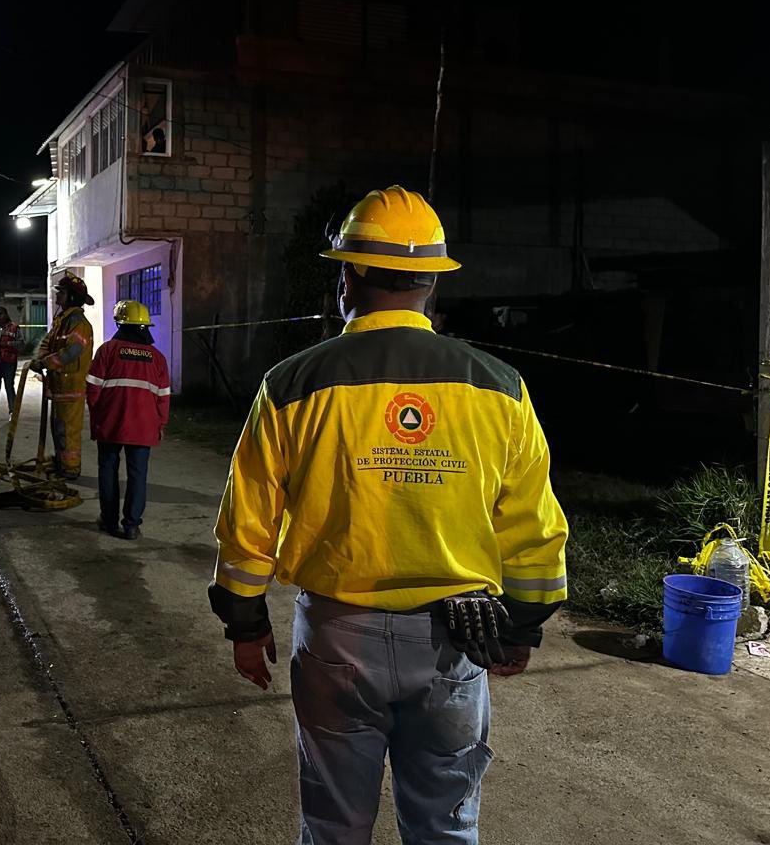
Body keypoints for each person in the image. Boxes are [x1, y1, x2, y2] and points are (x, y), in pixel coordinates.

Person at [208, 185, 569, 845]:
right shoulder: (498, 387)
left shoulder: (292, 385)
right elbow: (535, 529)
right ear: (432, 280)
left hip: (337, 637)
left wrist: (245, 619)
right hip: (457, 638)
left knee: (334, 825)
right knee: (444, 826)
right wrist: (519, 626)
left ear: (347, 277)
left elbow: (248, 522)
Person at [86, 300, 170, 540]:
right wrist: (160, 424)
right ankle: (131, 525)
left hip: (111, 423)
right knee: (138, 474)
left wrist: (99, 414)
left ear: (119, 323)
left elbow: (92, 389)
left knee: (108, 470)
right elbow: (163, 397)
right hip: (144, 427)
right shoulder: (158, 358)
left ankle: (109, 521)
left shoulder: (107, 350)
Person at [34, 274, 94, 480]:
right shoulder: (62, 320)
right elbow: (47, 342)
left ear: (72, 297)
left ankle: (71, 469)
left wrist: (44, 363)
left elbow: (70, 353)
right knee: (58, 428)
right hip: (59, 386)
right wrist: (40, 358)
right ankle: (61, 463)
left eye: (62, 292)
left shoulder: (79, 324)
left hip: (71, 387)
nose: (58, 295)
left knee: (68, 431)